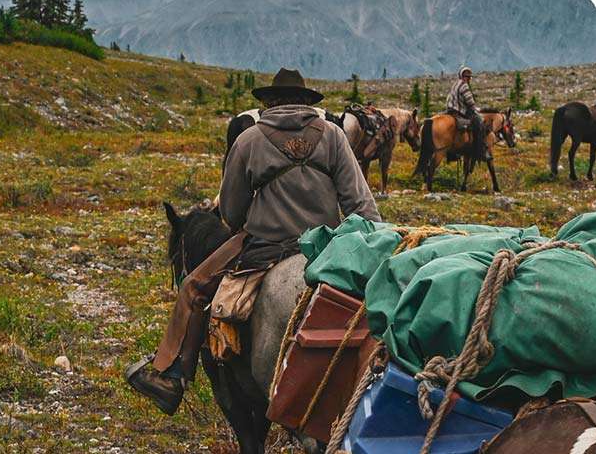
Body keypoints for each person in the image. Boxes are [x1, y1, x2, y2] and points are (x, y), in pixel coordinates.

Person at [125, 67, 382, 415]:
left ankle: (173, 376)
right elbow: (361, 205)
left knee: (196, 287)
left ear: (269, 103)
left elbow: (231, 212)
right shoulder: (334, 136)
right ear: (306, 102)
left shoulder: (249, 140)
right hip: (329, 249)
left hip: (265, 248)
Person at [446, 67, 482, 153]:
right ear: (462, 76)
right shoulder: (464, 85)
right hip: (459, 110)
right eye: (467, 76)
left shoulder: (455, 84)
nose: (468, 78)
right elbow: (469, 101)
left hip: (450, 109)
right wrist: (475, 109)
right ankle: (478, 148)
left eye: (469, 77)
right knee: (479, 123)